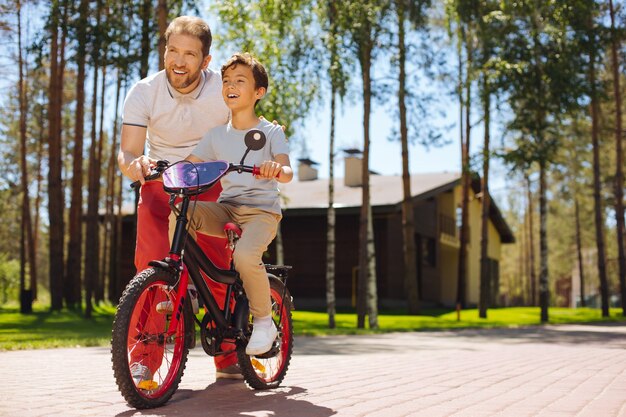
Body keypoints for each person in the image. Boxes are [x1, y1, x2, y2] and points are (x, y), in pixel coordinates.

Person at [117, 16, 239, 381]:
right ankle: (145, 360)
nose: (179, 62)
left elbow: (249, 127)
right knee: (150, 268)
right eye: (173, 51)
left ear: (206, 60)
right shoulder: (144, 91)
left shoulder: (223, 88)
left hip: (212, 181)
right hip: (160, 181)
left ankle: (227, 353)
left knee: (219, 269)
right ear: (164, 51)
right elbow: (128, 152)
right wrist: (135, 165)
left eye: (190, 54)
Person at [169, 52, 293, 355]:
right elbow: (189, 164)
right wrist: (164, 168)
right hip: (227, 207)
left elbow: (287, 171)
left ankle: (264, 321)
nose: (230, 86)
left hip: (260, 212)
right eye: (226, 81)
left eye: (240, 81)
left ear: (258, 93)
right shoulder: (215, 136)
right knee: (181, 212)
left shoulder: (270, 132)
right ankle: (188, 288)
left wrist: (276, 169)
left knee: (246, 256)